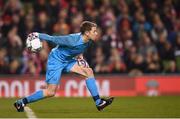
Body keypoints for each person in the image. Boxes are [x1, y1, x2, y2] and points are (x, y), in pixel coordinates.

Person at [14, 21, 114, 112]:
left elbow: (78, 50)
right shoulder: (72, 40)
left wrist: (80, 58)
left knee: (89, 72)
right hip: (56, 60)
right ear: (87, 33)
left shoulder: (89, 41)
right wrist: (37, 35)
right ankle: (21, 102)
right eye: (94, 31)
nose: (96, 33)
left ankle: (99, 102)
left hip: (68, 60)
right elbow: (52, 38)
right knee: (50, 92)